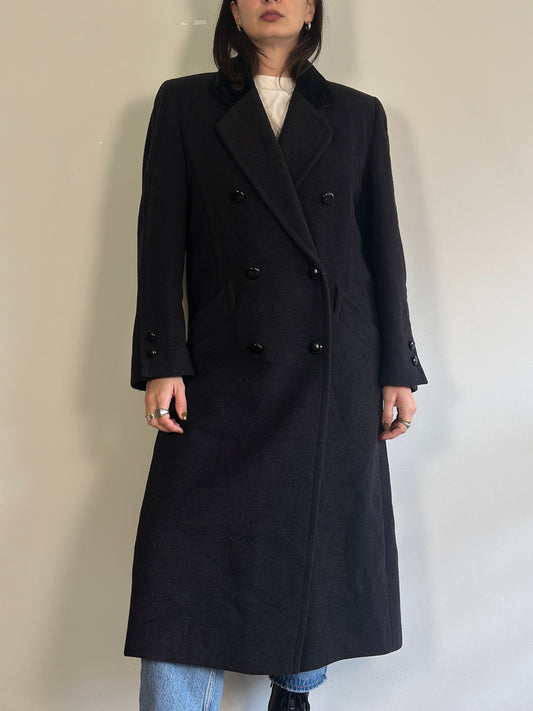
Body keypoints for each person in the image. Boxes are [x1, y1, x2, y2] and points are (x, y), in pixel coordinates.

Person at [123, 0, 428, 709]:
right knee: (181, 564)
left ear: (313, 8)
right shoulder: (184, 105)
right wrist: (161, 357)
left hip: (331, 372)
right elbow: (160, 239)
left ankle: (293, 694)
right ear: (231, 7)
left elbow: (381, 250)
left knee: (310, 547)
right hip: (220, 369)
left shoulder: (357, 114)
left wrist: (397, 367)